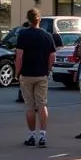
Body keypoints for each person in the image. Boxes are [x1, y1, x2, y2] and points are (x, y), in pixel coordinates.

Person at [15, 8, 56, 148]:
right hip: (41, 74)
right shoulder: (47, 36)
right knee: (42, 104)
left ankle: (31, 135)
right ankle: (43, 135)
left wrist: (17, 72)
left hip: (26, 74)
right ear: (39, 20)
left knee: (30, 107)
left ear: (28, 19)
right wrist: (48, 69)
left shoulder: (23, 34)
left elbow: (19, 56)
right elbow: (52, 55)